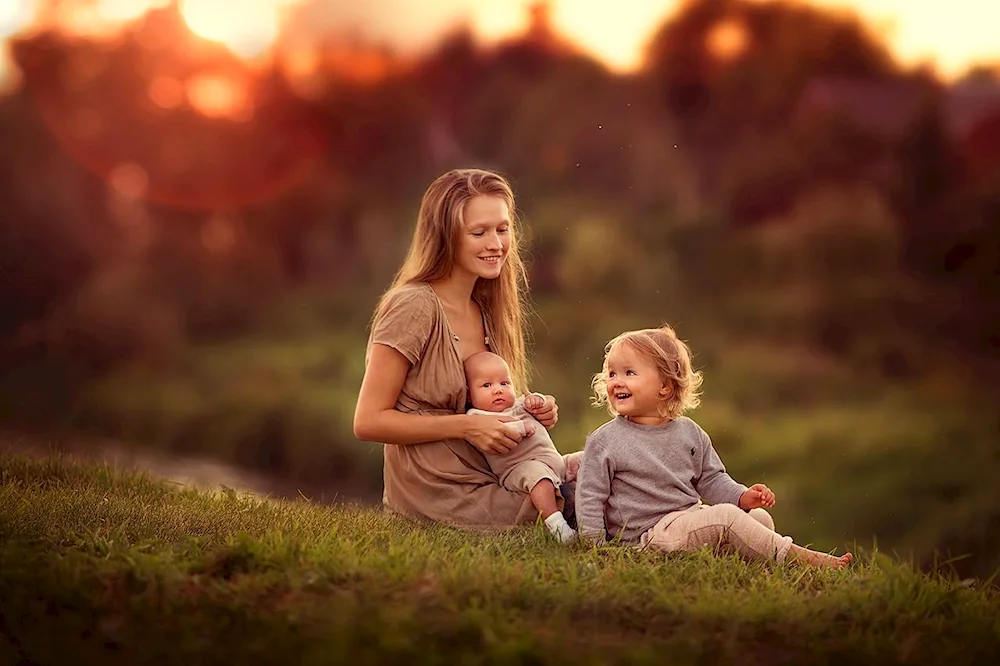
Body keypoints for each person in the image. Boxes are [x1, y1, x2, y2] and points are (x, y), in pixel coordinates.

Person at [353, 168, 573, 530]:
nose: (496, 244)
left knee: (602, 472)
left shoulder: (485, 307)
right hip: (436, 494)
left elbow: (485, 406)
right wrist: (467, 428)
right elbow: (368, 421)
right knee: (587, 498)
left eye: (502, 229)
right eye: (479, 232)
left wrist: (529, 411)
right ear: (446, 237)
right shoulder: (413, 306)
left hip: (494, 474)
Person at [576, 325, 853, 569]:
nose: (617, 381)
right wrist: (596, 549)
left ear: (665, 387)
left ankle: (732, 556)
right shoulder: (606, 441)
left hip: (686, 521)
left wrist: (743, 497)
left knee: (760, 519)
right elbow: (590, 497)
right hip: (647, 537)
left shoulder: (689, 433)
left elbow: (711, 479)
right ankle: (805, 559)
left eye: (629, 372)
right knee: (727, 519)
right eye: (611, 374)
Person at [464, 351, 576, 542]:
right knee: (539, 479)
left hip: (555, 462)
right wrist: (520, 427)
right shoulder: (476, 416)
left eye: (504, 383)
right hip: (520, 469)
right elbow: (502, 431)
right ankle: (557, 525)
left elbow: (541, 400)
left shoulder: (518, 404)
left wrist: (539, 401)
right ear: (468, 394)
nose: (498, 390)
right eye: (486, 385)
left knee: (584, 458)